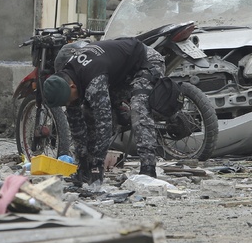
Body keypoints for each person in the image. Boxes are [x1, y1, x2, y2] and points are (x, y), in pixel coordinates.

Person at [43, 38, 165, 184]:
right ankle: (86, 166)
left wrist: (97, 164)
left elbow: (104, 123)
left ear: (72, 87)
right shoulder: (68, 80)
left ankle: (148, 168)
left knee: (138, 106)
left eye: (69, 100)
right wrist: (83, 163)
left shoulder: (93, 80)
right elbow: (77, 127)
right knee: (89, 112)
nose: (70, 104)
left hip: (145, 61)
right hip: (118, 73)